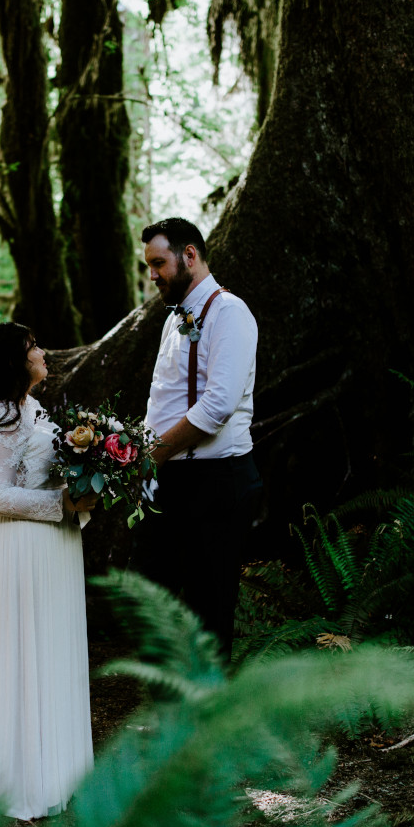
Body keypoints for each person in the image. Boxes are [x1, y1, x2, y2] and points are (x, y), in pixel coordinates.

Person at [0, 322, 96, 821]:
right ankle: (19, 777)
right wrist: (60, 503)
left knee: (48, 649)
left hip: (49, 549)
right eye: (33, 345)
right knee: (19, 649)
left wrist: (90, 485)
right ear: (14, 360)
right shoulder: (3, 416)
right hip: (16, 549)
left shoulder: (32, 410)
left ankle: (54, 768)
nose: (42, 351)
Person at [136, 217, 261, 660]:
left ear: (189, 255)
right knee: (159, 596)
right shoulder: (174, 318)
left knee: (209, 605)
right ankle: (172, 710)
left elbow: (216, 407)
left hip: (216, 482)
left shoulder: (230, 314)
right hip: (170, 479)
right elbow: (166, 399)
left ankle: (209, 717)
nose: (152, 275)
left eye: (158, 263)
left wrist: (152, 454)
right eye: (148, 265)